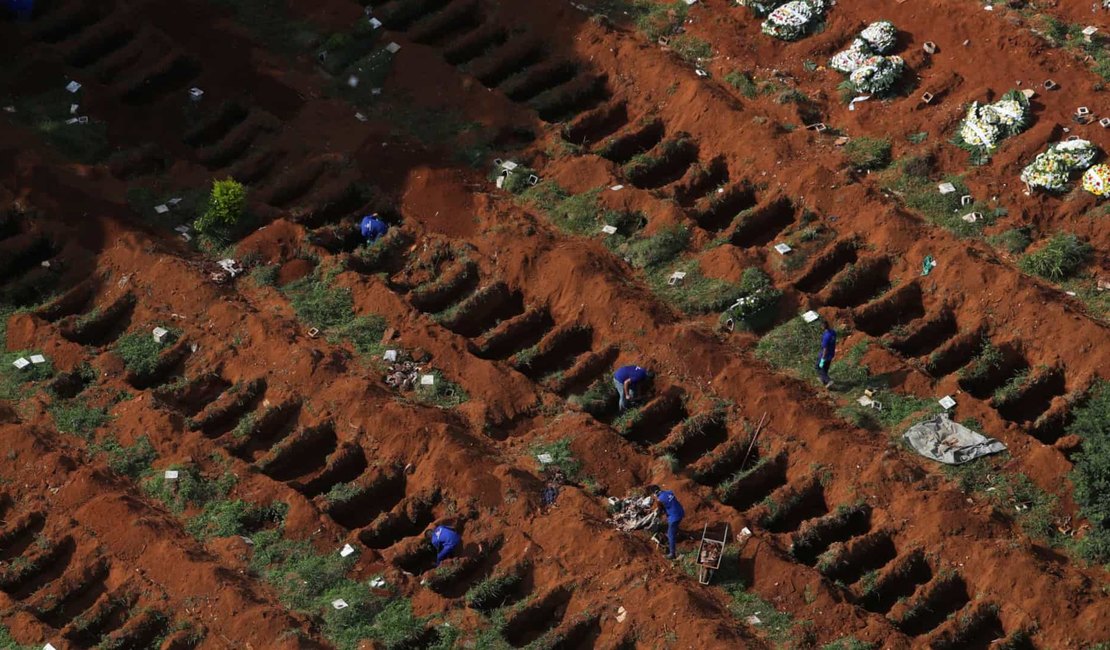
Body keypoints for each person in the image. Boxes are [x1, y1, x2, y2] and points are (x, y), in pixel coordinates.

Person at [649, 485, 684, 560]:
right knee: (674, 527)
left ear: (654, 493)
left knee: (670, 534)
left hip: (674, 517)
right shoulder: (669, 492)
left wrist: (657, 515)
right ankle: (677, 533)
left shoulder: (659, 500)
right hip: (680, 512)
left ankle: (672, 554)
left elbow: (660, 510)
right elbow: (670, 503)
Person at [816, 319, 837, 388]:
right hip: (831, 353)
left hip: (825, 354)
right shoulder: (833, 332)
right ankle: (823, 380)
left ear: (823, 326)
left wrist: (823, 358)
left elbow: (825, 348)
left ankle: (829, 381)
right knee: (825, 367)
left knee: (819, 367)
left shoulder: (826, 336)